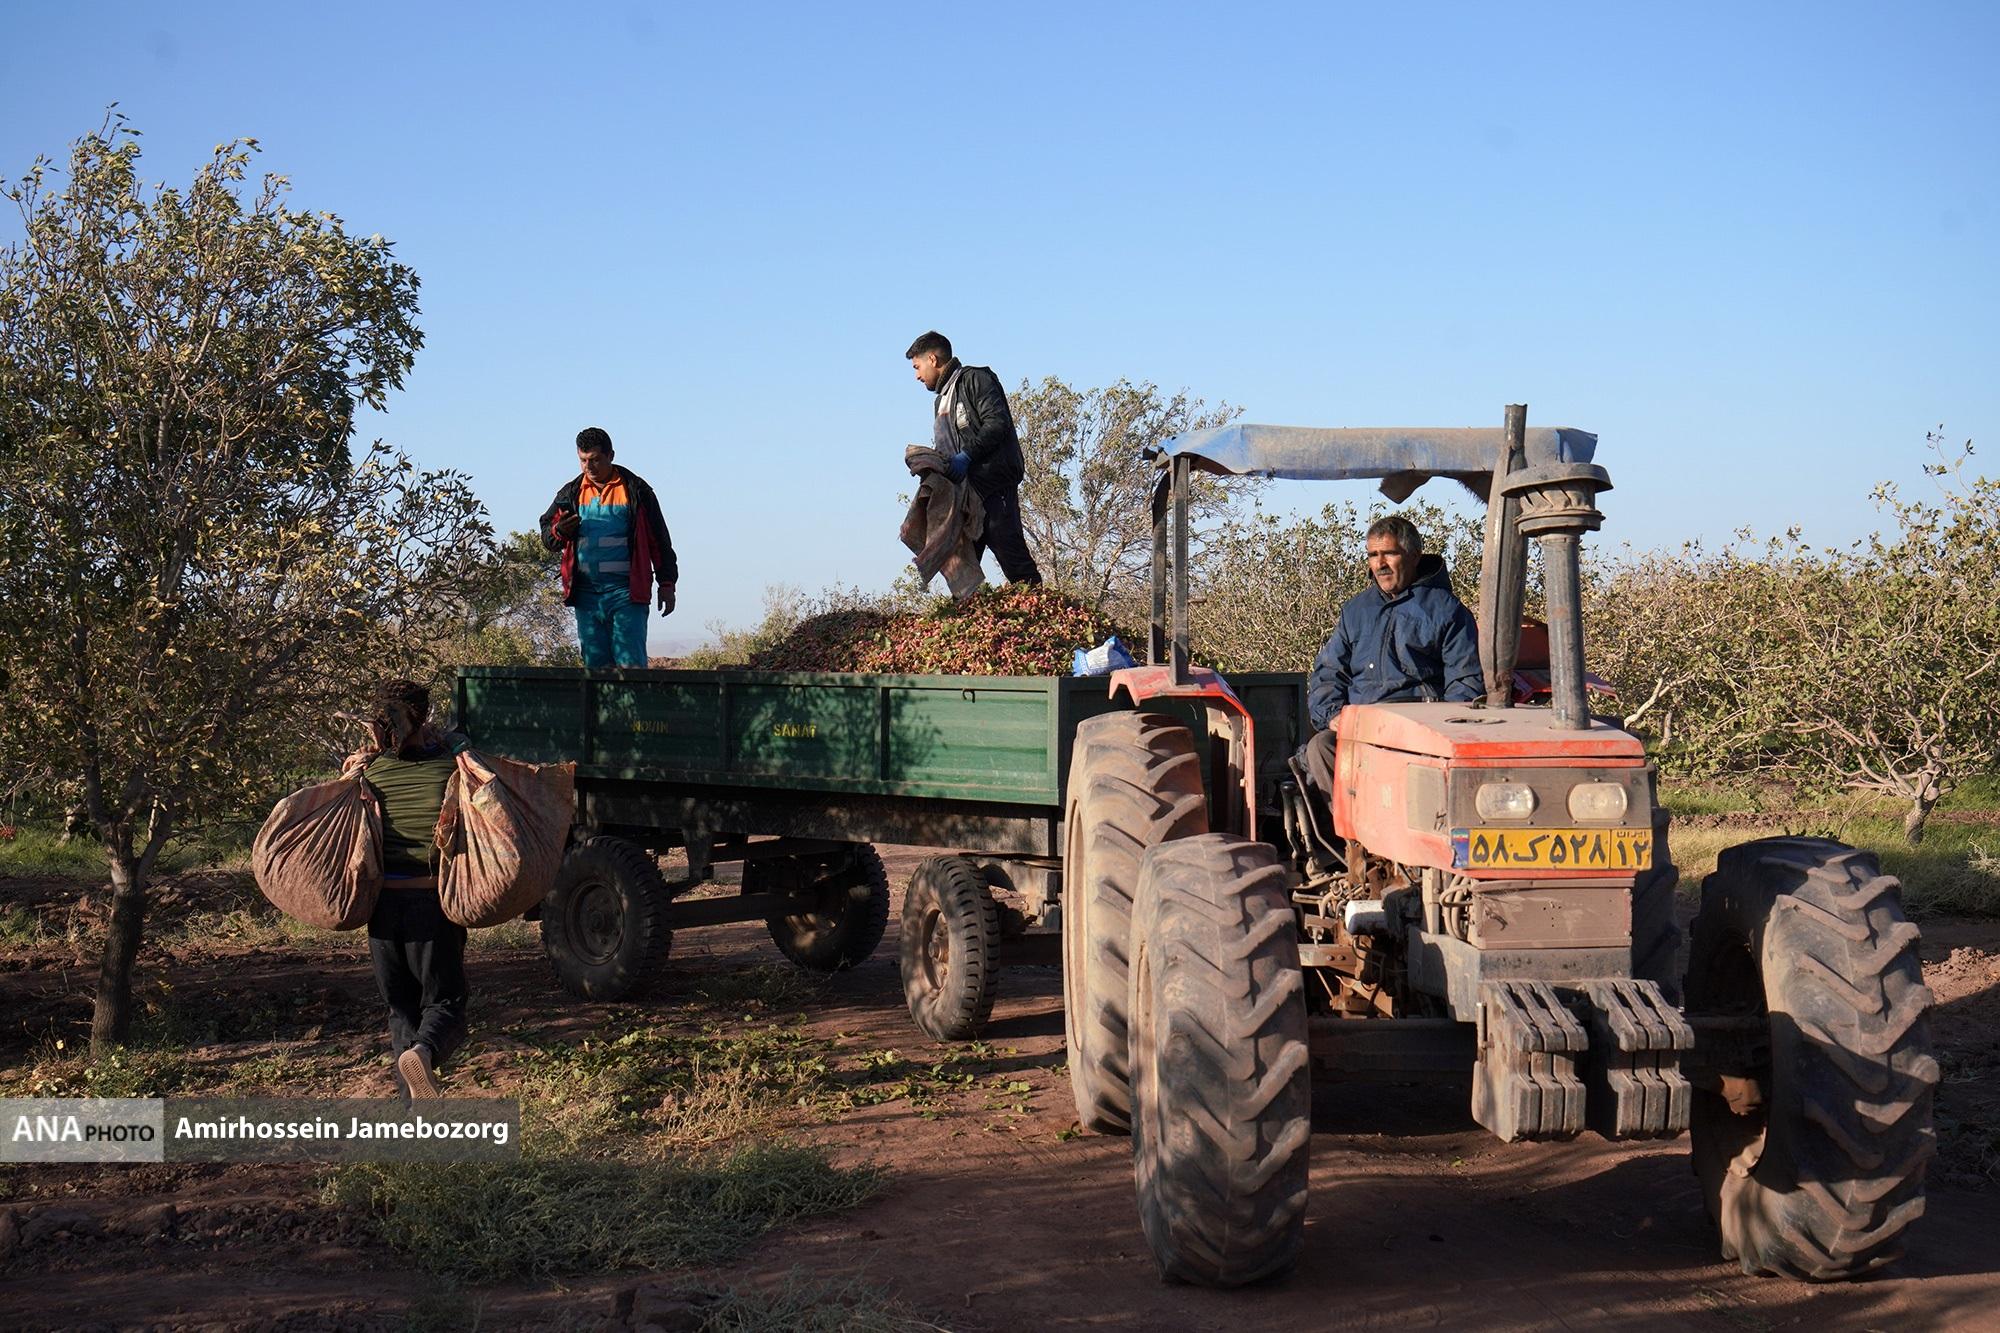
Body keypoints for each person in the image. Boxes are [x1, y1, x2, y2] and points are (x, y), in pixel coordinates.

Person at [1298, 515, 1482, 797]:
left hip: (1418, 727)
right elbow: (1328, 673)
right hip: (1362, 726)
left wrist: (1439, 728)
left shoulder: (1447, 611)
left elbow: (1466, 682)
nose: (1380, 564)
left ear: (1414, 555)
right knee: (1320, 747)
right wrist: (1333, 716)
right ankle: (1349, 823)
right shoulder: (1356, 611)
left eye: (1389, 553)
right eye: (1373, 555)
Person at [354, 678, 469, 1101]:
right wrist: (453, 742)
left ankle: (413, 1110)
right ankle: (424, 1052)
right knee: (446, 1003)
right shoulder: (450, 767)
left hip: (382, 908)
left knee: (401, 1009)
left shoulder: (370, 773)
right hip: (431, 904)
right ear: (424, 717)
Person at [905, 331, 1042, 586]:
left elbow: (996, 423)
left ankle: (1041, 608)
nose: (917, 376)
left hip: (992, 489)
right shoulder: (941, 402)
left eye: (917, 367)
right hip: (963, 497)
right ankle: (969, 611)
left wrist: (967, 456)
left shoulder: (975, 379)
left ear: (932, 359)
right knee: (963, 575)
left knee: (1016, 565)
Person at [539, 427, 679, 668]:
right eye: (583, 460)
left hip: (627, 593)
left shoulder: (637, 491)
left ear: (610, 455)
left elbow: (659, 541)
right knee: (595, 670)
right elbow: (547, 536)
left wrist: (667, 584)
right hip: (586, 595)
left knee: (631, 668)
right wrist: (559, 531)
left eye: (595, 460)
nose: (588, 467)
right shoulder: (570, 494)